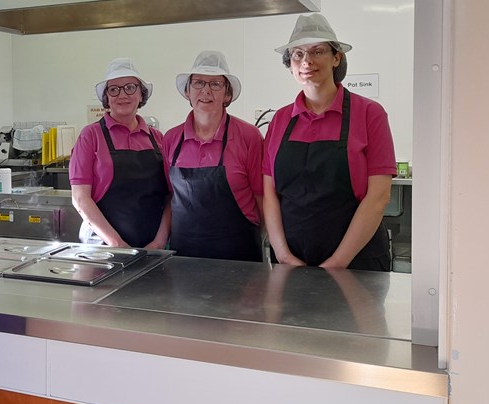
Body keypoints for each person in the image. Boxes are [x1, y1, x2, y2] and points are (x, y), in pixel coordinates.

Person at [262, 14, 395, 271]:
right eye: (298, 54)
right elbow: (270, 194)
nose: (307, 61)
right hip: (293, 262)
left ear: (337, 58)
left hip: (357, 261)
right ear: (290, 63)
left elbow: (379, 196)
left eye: (318, 51)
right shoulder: (280, 119)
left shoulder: (369, 113)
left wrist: (337, 263)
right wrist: (282, 254)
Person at [162, 51, 265, 261]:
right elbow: (170, 197)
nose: (206, 91)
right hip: (184, 257)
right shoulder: (171, 138)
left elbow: (261, 198)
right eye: (198, 83)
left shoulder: (248, 136)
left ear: (227, 94)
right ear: (187, 91)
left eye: (216, 84)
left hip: (239, 254)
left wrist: (264, 240)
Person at [69, 58, 170, 249]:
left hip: (150, 248)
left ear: (141, 94)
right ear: (106, 97)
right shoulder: (90, 136)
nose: (122, 94)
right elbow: (80, 198)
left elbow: (170, 197)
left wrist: (159, 242)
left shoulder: (158, 139)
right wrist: (117, 244)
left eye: (130, 87)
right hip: (102, 247)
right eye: (114, 89)